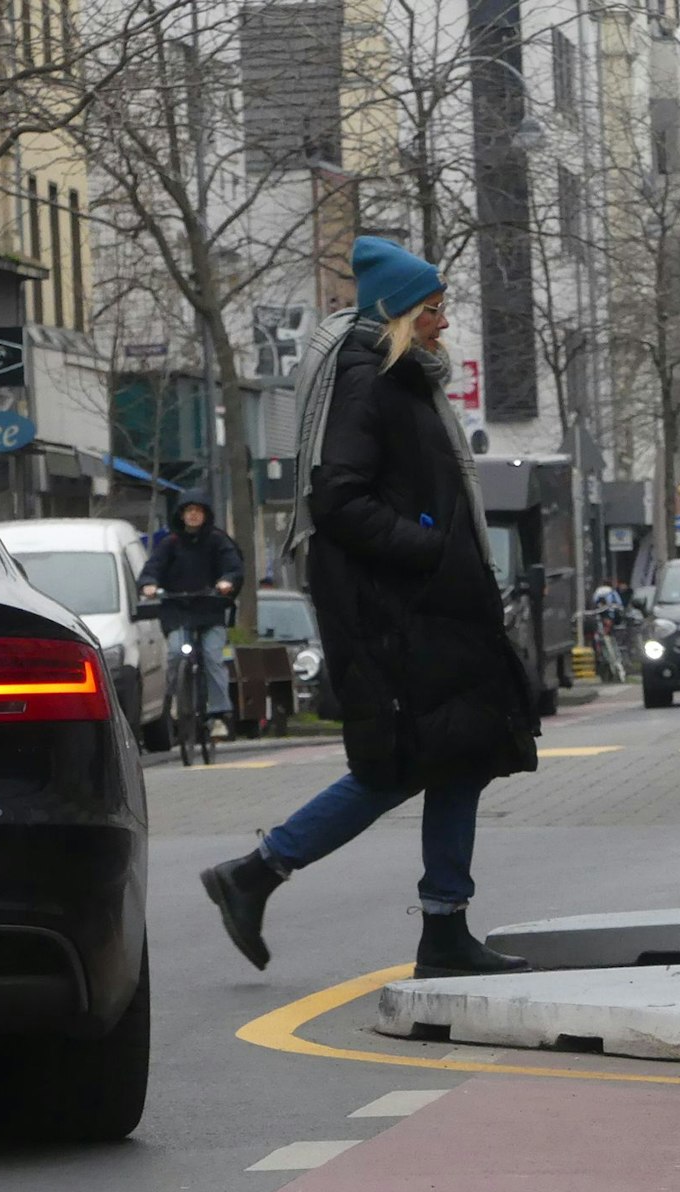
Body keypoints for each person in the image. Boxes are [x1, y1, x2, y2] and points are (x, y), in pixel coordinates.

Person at [197, 236, 540, 979]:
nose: (443, 322)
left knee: (455, 757)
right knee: (404, 764)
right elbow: (339, 498)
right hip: (402, 615)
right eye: (432, 308)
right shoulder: (370, 382)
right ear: (399, 314)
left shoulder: (401, 382)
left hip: (426, 610)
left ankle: (438, 925)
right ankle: (263, 872)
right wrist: (426, 547)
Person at [138, 491, 243, 737]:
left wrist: (227, 582)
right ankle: (176, 700)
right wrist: (149, 584)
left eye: (198, 510)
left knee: (212, 656)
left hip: (211, 610)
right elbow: (152, 568)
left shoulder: (219, 541)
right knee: (176, 652)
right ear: (182, 515)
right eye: (189, 510)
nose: (194, 515)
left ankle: (218, 714)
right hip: (178, 612)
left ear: (206, 515)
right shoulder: (170, 544)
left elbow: (234, 568)